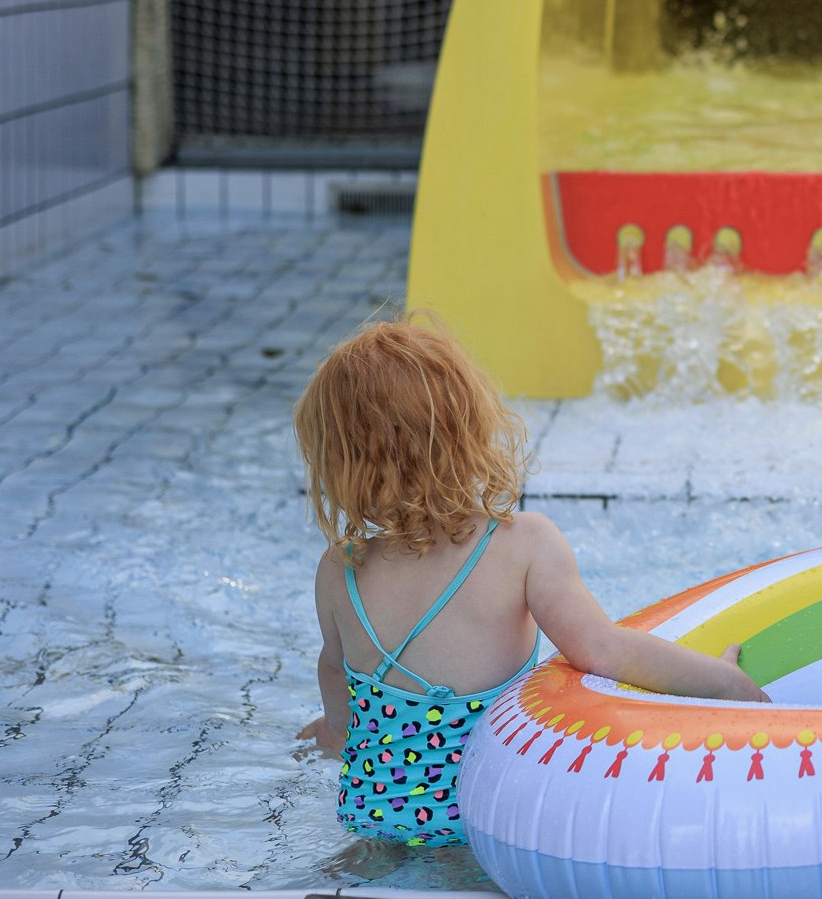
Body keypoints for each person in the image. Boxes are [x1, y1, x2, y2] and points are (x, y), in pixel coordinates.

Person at [295, 320, 763, 848]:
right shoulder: (522, 545)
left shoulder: (340, 570)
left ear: (338, 463)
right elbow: (604, 651)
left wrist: (334, 733)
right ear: (467, 428)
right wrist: (723, 682)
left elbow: (333, 669)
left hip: (374, 815)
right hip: (489, 816)